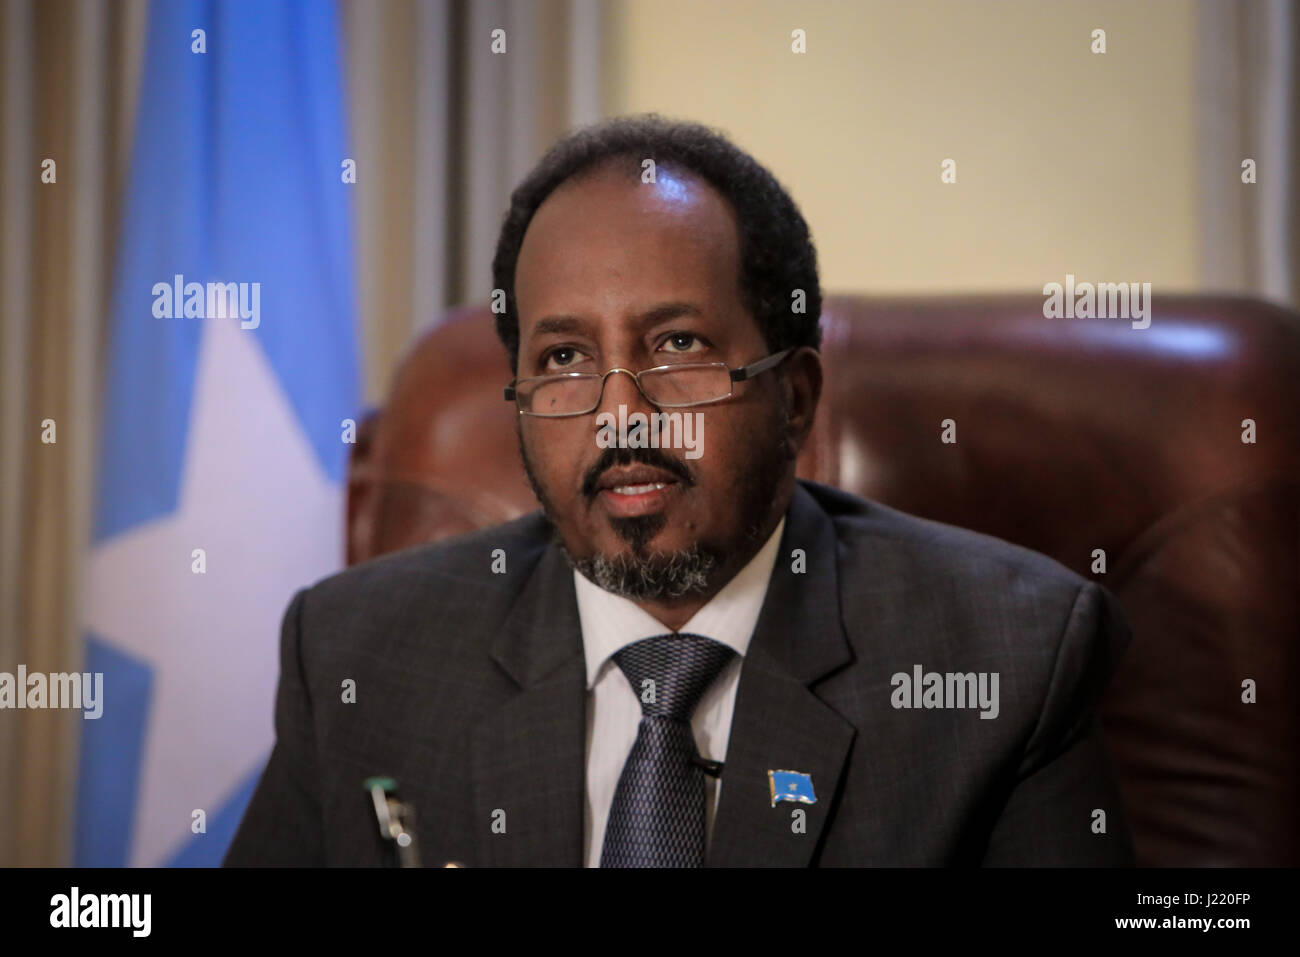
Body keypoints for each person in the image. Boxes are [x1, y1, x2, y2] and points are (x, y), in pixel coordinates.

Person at [224, 114, 1134, 867]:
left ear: (797, 398)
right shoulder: (357, 659)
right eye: (565, 359)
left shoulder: (1007, 663)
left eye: (678, 345)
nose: (621, 416)